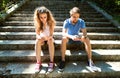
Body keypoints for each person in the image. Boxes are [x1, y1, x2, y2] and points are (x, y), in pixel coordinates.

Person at [58, 7, 98, 72]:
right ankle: (63, 60)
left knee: (87, 39)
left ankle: (90, 60)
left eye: (77, 17)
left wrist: (83, 36)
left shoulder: (81, 21)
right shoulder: (66, 21)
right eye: (74, 17)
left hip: (77, 37)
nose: (75, 18)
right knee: (63, 39)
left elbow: (85, 33)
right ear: (70, 16)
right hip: (69, 37)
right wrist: (71, 37)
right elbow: (63, 33)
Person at [34, 6, 56, 73]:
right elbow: (37, 34)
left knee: (50, 40)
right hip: (42, 39)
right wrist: (39, 37)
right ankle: (38, 62)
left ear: (47, 16)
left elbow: (51, 35)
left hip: (49, 38)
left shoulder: (51, 22)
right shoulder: (37, 22)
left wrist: (48, 37)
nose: (43, 19)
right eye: (41, 17)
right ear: (38, 17)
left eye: (45, 17)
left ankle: (51, 62)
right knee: (37, 41)